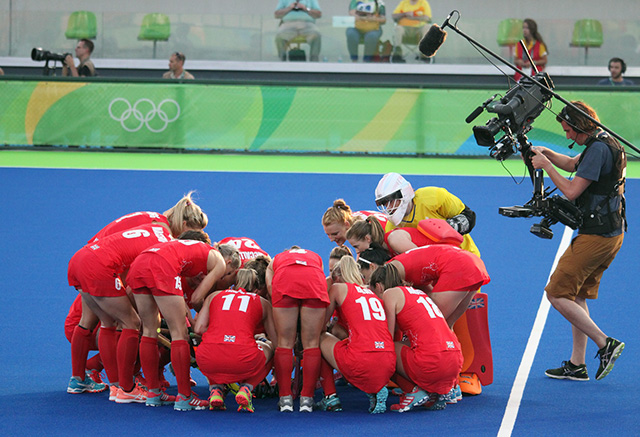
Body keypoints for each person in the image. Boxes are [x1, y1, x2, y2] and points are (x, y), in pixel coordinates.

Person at [529, 101, 626, 381]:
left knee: (556, 293)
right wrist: (547, 153)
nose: (568, 136)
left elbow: (571, 191)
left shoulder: (596, 150)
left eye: (569, 130)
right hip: (611, 233)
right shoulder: (605, 141)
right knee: (578, 294)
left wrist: (546, 165)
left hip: (596, 237)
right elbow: (573, 164)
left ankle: (604, 343)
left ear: (580, 125)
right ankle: (577, 364)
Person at [375, 172, 487, 395]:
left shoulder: (432, 197)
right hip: (446, 270)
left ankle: (436, 378)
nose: (388, 207)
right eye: (383, 203)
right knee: (443, 324)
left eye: (391, 200)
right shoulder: (390, 228)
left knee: (434, 324)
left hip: (455, 264)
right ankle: (452, 378)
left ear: (405, 194)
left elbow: (468, 215)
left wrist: (450, 228)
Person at [129, 234, 241, 411]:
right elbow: (196, 299)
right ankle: (184, 397)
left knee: (150, 330)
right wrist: (215, 318)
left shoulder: (196, 251)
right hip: (161, 265)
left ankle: (153, 393)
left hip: (141, 262)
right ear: (229, 264)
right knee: (179, 332)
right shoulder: (219, 262)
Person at [67, 223, 173, 402]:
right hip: (99, 267)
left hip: (80, 258)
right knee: (131, 322)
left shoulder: (156, 228)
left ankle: (84, 381)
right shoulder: (166, 247)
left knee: (103, 321)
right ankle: (127, 388)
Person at [370, 263, 463, 412]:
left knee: (383, 351)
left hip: (432, 363)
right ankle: (438, 393)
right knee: (411, 344)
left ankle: (412, 390)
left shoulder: (389, 294)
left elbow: (388, 335)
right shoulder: (418, 293)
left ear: (379, 287)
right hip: (454, 360)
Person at [316, 256, 395, 414]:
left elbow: (321, 324)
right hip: (388, 359)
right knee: (352, 340)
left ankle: (330, 395)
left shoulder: (337, 288)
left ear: (337, 276)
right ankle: (375, 389)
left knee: (318, 338)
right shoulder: (371, 293)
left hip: (361, 358)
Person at [194, 268, 278, 413]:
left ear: (234, 283)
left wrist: (222, 336)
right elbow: (276, 341)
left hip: (207, 358)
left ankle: (216, 391)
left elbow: (199, 329)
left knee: (212, 349)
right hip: (243, 358)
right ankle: (246, 388)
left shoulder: (214, 296)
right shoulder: (262, 302)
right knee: (270, 348)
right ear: (257, 289)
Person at [358, 244, 490, 327]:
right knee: (447, 325)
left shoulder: (391, 272)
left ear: (372, 267)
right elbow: (427, 296)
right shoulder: (400, 269)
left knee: (431, 324)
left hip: (460, 265)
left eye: (364, 276)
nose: (365, 280)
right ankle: (453, 365)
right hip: (472, 262)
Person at [265, 246, 329, 413]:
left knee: (284, 342)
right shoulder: (315, 256)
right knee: (312, 343)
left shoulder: (276, 258)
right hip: (313, 281)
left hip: (285, 281)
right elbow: (319, 277)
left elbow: (271, 289)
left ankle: (285, 398)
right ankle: (307, 400)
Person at [322, 198, 388, 247]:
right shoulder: (354, 218)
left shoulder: (362, 230)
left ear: (347, 225)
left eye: (335, 234)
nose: (331, 239)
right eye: (328, 234)